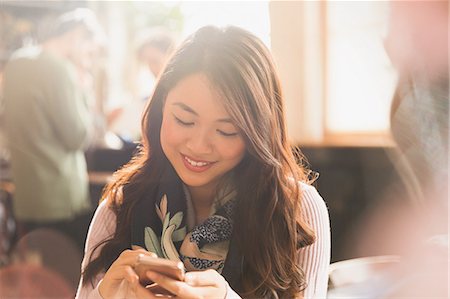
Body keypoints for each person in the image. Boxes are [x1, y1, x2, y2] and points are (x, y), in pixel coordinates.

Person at [76, 26, 330, 299]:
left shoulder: (297, 209)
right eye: (184, 120)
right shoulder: (120, 207)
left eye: (226, 131)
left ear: (258, 132)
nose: (198, 146)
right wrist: (102, 296)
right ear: (161, 110)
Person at [2, 8, 103, 251]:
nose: (87, 58)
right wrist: (85, 90)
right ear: (76, 37)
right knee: (68, 273)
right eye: (88, 50)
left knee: (41, 271)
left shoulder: (16, 62)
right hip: (60, 196)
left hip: (27, 193)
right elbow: (78, 137)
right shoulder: (59, 69)